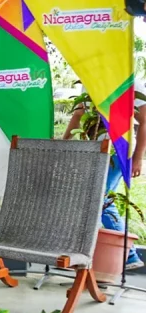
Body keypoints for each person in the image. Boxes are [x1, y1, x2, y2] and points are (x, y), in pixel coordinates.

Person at [63, 79, 146, 270]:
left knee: (99, 199)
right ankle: (123, 257)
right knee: (97, 200)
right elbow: (78, 115)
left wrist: (138, 158)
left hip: (117, 151)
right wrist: (63, 142)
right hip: (93, 150)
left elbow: (144, 121)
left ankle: (129, 255)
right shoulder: (88, 78)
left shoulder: (128, 80)